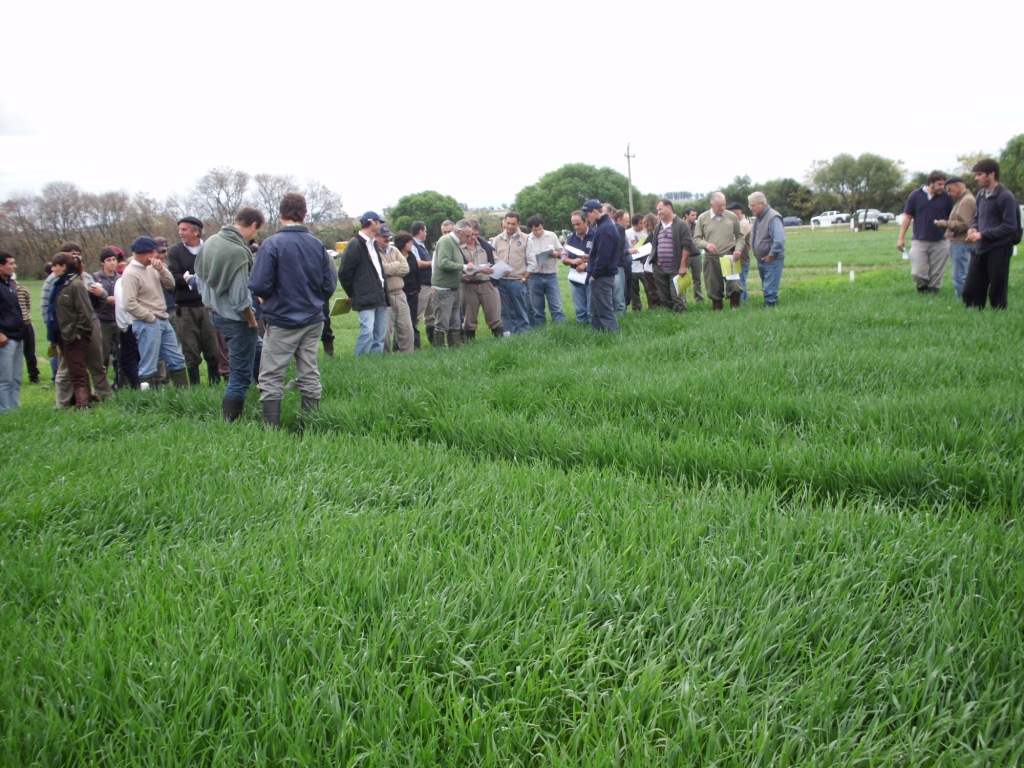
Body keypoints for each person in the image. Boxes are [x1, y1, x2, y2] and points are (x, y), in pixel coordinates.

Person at [250, 193, 337, 426]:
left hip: (282, 320)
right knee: (309, 371)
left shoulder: (271, 244)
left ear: (280, 214)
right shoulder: (317, 245)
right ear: (305, 214)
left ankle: (272, 431)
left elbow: (258, 284)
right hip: (313, 318)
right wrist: (313, 301)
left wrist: (268, 299)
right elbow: (329, 284)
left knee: (271, 375)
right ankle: (310, 424)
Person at [195, 206, 265, 421]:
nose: (254, 236)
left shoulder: (211, 242)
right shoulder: (237, 252)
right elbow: (240, 299)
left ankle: (269, 391)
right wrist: (251, 321)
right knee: (240, 376)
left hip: (215, 314)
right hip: (237, 320)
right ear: (253, 225)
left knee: (261, 351)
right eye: (257, 231)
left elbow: (199, 278)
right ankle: (229, 422)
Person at [46, 242, 113, 405]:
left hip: (87, 327)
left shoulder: (83, 279)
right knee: (67, 369)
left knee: (96, 365)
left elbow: (91, 308)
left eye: (78, 253)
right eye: (72, 254)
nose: (76, 257)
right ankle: (63, 402)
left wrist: (101, 294)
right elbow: (47, 308)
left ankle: (104, 397)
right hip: (65, 330)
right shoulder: (53, 282)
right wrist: (53, 330)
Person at [119, 237, 188, 389]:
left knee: (176, 358)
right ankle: (148, 397)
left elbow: (170, 284)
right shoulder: (130, 273)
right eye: (151, 252)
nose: (155, 255)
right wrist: (149, 317)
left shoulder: (152, 268)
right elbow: (128, 302)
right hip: (146, 322)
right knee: (149, 364)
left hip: (163, 319)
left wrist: (162, 270)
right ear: (141, 253)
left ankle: (184, 393)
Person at [166, 216, 222, 384]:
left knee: (213, 348)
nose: (180, 233)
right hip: (185, 308)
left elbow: (217, 273)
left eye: (184, 229)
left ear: (196, 231)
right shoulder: (175, 252)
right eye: (179, 230)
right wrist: (194, 280)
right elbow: (173, 276)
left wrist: (193, 278)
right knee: (190, 350)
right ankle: (195, 387)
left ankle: (215, 384)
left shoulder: (210, 249)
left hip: (209, 306)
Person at [965, 158, 1019, 310]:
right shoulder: (980, 194)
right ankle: (973, 314)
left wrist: (983, 234)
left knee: (997, 287)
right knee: (971, 287)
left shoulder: (1005, 196)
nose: (976, 178)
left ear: (992, 174)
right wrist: (974, 228)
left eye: (979, 174)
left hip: (999, 247)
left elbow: (1010, 226)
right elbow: (977, 217)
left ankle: (998, 314)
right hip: (981, 247)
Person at [47, 253, 95, 409]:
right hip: (62, 335)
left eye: (55, 265)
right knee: (77, 369)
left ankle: (83, 404)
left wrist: (78, 332)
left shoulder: (76, 285)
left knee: (77, 371)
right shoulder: (59, 285)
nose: (52, 269)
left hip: (74, 336)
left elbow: (85, 312)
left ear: (63, 267)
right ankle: (87, 399)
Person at [339, 211, 390, 356]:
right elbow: (344, 273)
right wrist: (354, 293)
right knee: (367, 332)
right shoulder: (355, 244)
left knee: (379, 335)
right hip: (364, 296)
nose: (381, 225)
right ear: (372, 222)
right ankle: (359, 364)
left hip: (380, 294)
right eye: (379, 222)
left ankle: (374, 364)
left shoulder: (373, 244)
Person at [897, 171, 954, 294]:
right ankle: (922, 289)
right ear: (931, 183)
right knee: (917, 272)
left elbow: (953, 217)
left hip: (941, 240)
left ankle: (933, 293)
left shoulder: (947, 197)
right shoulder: (915, 195)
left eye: (943, 184)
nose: (942, 187)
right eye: (939, 184)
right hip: (919, 240)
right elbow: (907, 217)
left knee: (937, 273)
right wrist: (901, 238)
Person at [693, 192, 746, 310]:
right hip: (712, 258)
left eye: (724, 205)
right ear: (712, 205)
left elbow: (740, 236)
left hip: (730, 257)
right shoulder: (703, 218)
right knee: (714, 289)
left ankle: (735, 312)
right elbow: (696, 239)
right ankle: (718, 313)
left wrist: (738, 250)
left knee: (735, 286)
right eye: (719, 206)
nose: (722, 208)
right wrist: (706, 245)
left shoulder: (731, 216)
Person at [432, 219, 474, 348]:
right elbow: (443, 263)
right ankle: (439, 350)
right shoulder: (446, 241)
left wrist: (462, 277)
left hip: (453, 288)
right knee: (442, 323)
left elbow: (451, 266)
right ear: (459, 232)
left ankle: (454, 349)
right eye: (467, 235)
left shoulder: (455, 243)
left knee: (455, 322)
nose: (469, 238)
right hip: (443, 290)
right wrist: (464, 267)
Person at [649, 198, 694, 313]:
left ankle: (681, 318)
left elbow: (686, 246)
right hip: (659, 268)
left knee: (677, 297)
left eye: (660, 209)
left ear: (669, 208)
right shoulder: (658, 226)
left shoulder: (681, 225)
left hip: (675, 268)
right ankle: (669, 318)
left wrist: (683, 266)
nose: (658, 212)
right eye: (657, 210)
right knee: (664, 298)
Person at [935, 176, 976, 301]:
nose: (948, 193)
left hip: (961, 242)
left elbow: (964, 224)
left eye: (950, 189)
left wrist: (945, 224)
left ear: (958, 185)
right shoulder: (963, 199)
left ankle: (964, 302)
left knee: (959, 275)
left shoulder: (966, 201)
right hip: (962, 242)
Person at [581, 200, 619, 332]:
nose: (587, 219)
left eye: (587, 215)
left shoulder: (605, 229)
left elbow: (604, 256)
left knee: (605, 311)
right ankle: (599, 335)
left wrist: (595, 275)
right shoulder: (604, 226)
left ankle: (613, 338)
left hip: (602, 276)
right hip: (600, 275)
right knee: (595, 311)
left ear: (595, 212)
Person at [491, 212, 531, 334]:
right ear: (504, 222)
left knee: (520, 309)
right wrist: (500, 268)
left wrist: (523, 279)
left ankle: (524, 333)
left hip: (517, 280)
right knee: (504, 310)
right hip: (501, 280)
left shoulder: (526, 238)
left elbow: (532, 261)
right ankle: (507, 333)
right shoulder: (497, 239)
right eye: (508, 223)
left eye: (513, 224)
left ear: (518, 224)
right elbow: (492, 257)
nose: (509, 226)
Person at [461, 222, 502, 340]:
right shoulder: (458, 247)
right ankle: (469, 343)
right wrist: (464, 275)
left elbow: (496, 259)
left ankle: (500, 341)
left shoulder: (485, 245)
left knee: (495, 316)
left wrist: (501, 268)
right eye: (471, 235)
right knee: (469, 318)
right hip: (468, 285)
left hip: (487, 283)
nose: (473, 237)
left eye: (476, 234)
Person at [376, 226, 413, 354]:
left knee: (407, 328)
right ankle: (386, 358)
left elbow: (406, 269)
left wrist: (390, 270)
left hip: (400, 294)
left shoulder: (395, 250)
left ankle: (408, 356)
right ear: (376, 237)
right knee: (385, 330)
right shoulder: (374, 252)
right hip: (384, 296)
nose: (387, 238)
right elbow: (381, 270)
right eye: (384, 236)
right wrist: (396, 265)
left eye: (388, 236)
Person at [524, 214, 565, 326]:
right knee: (537, 308)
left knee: (556, 306)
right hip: (534, 276)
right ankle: (540, 330)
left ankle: (561, 328)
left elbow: (562, 252)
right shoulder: (527, 239)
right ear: (531, 229)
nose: (538, 232)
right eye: (535, 230)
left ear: (542, 226)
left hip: (551, 275)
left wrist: (556, 254)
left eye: (540, 229)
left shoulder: (551, 235)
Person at [748, 191, 785, 307]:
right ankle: (770, 307)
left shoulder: (773, 217)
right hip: (762, 260)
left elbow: (779, 240)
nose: (751, 208)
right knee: (766, 287)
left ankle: (771, 308)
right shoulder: (758, 218)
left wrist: (771, 254)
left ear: (762, 204)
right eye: (750, 205)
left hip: (772, 259)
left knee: (770, 290)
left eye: (753, 205)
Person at [0, 251, 25, 413]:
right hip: (5, 338)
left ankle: (14, 410)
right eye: (10, 263)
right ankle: (4, 410)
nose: (14, 266)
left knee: (16, 378)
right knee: (4, 378)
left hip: (17, 335)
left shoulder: (9, 284)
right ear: (1, 266)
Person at [93, 246, 121, 385]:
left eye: (114, 259)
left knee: (121, 355)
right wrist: (105, 299)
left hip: (118, 320)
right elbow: (93, 300)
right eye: (108, 260)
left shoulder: (120, 278)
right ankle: (102, 386)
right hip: (103, 321)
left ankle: (121, 384)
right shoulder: (96, 278)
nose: (112, 263)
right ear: (102, 262)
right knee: (103, 356)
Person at [564, 211, 594, 323]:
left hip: (591, 276)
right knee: (579, 308)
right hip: (575, 276)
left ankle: (593, 326)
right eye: (574, 225)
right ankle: (581, 327)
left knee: (591, 307)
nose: (576, 227)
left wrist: (586, 264)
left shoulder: (595, 235)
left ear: (586, 221)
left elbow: (601, 256)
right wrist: (572, 260)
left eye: (578, 224)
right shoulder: (570, 238)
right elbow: (563, 256)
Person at [396, 231, 422, 350]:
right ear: (402, 244)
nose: (411, 244)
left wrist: (417, 288)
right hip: (400, 293)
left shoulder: (411, 256)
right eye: (408, 242)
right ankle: (397, 346)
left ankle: (415, 345)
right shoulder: (396, 257)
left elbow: (417, 273)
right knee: (400, 323)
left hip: (413, 293)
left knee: (413, 319)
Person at [13, 277, 40, 385]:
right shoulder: (5, 291)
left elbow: (28, 305)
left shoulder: (23, 290)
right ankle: (13, 377)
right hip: (13, 325)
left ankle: (34, 376)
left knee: (30, 352)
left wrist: (25, 317)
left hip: (26, 323)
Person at [410, 221, 433, 347]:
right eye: (425, 231)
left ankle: (434, 342)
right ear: (420, 231)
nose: (426, 233)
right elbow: (418, 263)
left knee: (431, 315)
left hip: (429, 285)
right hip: (422, 286)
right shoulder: (413, 245)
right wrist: (432, 263)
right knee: (417, 315)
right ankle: (414, 344)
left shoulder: (421, 245)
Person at [726, 202, 753, 302]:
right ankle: (743, 303)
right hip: (735, 259)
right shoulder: (737, 223)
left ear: (737, 212)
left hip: (742, 259)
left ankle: (742, 303)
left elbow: (735, 239)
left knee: (740, 283)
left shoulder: (744, 224)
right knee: (737, 282)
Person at [682, 206, 703, 302]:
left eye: (695, 215)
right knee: (683, 278)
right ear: (686, 215)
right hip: (684, 255)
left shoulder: (698, 225)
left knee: (697, 279)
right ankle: (682, 299)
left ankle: (698, 298)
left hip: (696, 255)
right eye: (693, 215)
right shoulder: (680, 225)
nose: (695, 217)